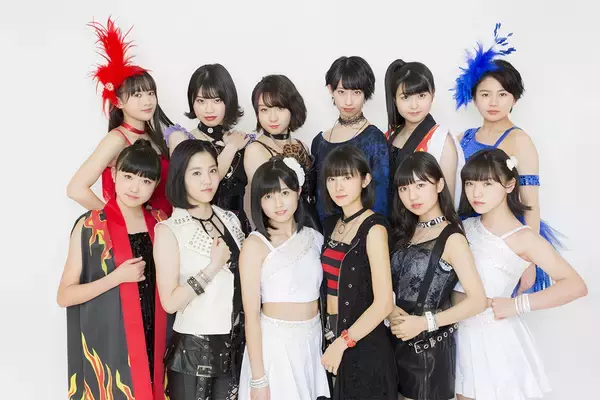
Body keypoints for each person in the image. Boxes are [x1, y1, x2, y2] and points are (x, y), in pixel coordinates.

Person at [454, 148, 587, 400]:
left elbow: (575, 285)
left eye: (487, 183)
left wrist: (517, 305)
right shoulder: (464, 226)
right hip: (457, 333)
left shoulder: (524, 238)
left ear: (509, 184)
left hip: (491, 339)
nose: (476, 192)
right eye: (470, 183)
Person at [58, 139, 170, 399]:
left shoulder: (162, 223)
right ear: (114, 174)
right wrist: (117, 278)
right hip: (111, 343)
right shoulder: (91, 226)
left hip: (156, 339)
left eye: (145, 180)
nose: (135, 187)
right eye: (128, 176)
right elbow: (64, 295)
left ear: (155, 185)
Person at [452, 23, 559, 292]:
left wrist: (529, 261)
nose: (493, 102)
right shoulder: (464, 137)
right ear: (474, 98)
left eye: (502, 94)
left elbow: (530, 203)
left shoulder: (519, 141)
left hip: (504, 237)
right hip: (468, 230)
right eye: (485, 94)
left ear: (514, 99)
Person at [388, 152, 486, 400]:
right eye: (404, 188)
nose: (412, 196)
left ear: (440, 184)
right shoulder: (403, 232)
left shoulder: (452, 238)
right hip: (395, 344)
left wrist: (424, 323)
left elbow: (478, 301)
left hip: (429, 353)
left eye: (420, 185)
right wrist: (390, 309)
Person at [154, 140, 246, 400]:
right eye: (196, 173)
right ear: (180, 177)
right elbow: (170, 302)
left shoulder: (230, 219)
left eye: (212, 170)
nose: (207, 180)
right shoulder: (169, 230)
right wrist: (212, 268)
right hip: (194, 352)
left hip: (236, 345)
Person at [238, 157, 330, 400]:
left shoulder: (314, 238)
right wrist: (258, 378)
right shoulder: (255, 244)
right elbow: (251, 316)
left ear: (298, 192)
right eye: (268, 196)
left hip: (311, 341)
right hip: (275, 347)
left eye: (285, 193)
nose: (278, 203)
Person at [67, 18, 173, 215]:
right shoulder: (117, 139)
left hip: (165, 227)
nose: (147, 101)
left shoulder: (155, 135)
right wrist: (119, 220)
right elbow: (76, 189)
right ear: (118, 102)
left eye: (150, 93)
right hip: (137, 231)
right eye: (137, 95)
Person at [320, 145, 396, 399]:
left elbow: (384, 303)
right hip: (329, 332)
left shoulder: (374, 228)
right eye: (332, 179)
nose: (338, 187)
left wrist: (344, 342)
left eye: (347, 177)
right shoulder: (331, 224)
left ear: (365, 180)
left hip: (362, 340)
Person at [165, 63, 252, 232]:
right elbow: (188, 187)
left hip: (238, 231)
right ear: (192, 101)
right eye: (201, 101)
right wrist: (231, 147)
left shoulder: (242, 141)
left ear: (228, 100)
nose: (209, 109)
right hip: (196, 230)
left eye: (217, 100)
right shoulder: (182, 138)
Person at [311, 56, 389, 222]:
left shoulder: (374, 139)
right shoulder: (320, 141)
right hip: (324, 232)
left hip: (363, 231)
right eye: (341, 92)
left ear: (366, 93)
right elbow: (318, 198)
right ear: (331, 90)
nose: (348, 101)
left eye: (356, 92)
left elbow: (381, 201)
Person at [243, 74, 320, 230]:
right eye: (264, 110)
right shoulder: (255, 150)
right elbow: (261, 204)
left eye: (279, 108)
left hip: (311, 226)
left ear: (293, 108)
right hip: (277, 232)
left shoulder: (302, 146)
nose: (272, 118)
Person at [384, 59, 463, 207]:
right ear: (394, 99)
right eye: (405, 97)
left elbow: (448, 201)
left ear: (432, 94)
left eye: (421, 96)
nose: (414, 105)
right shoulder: (388, 136)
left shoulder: (441, 141)